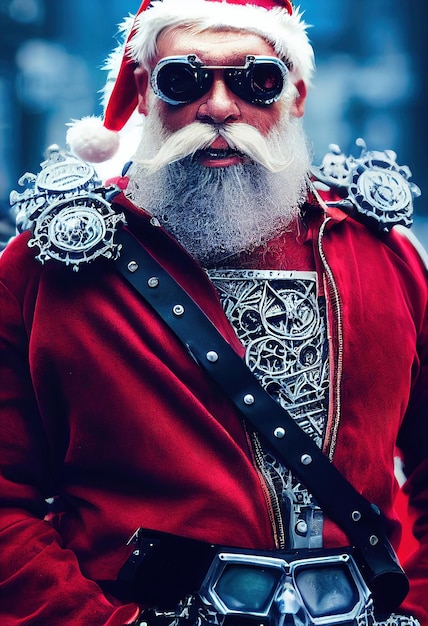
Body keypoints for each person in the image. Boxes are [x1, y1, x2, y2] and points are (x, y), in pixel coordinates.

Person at [0, 1, 427, 625]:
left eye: (257, 79)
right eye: (184, 79)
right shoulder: (46, 266)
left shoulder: (382, 254)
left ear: (297, 95)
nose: (221, 106)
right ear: (144, 94)